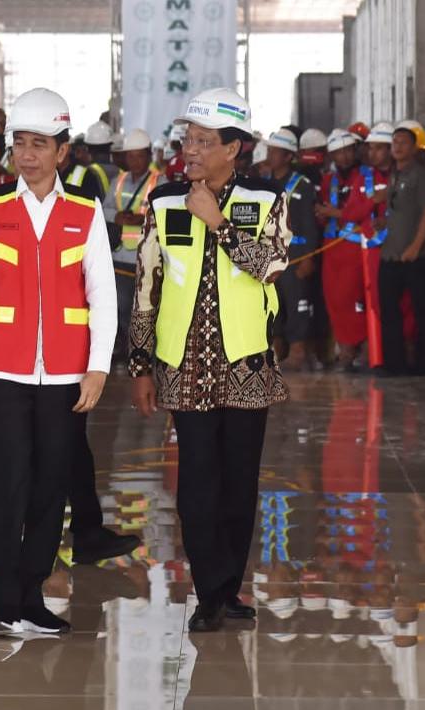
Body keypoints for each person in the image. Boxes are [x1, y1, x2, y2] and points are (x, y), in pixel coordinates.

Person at [129, 87, 290, 633]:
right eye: (187, 140)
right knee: (197, 486)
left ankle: (228, 587)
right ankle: (209, 592)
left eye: (203, 141)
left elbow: (271, 265)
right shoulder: (163, 201)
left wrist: (218, 221)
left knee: (239, 485)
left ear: (233, 148)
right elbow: (146, 288)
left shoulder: (268, 198)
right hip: (183, 365)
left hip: (246, 365)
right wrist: (140, 366)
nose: (190, 150)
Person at [0, 87, 118, 636]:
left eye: (39, 144)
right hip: (4, 370)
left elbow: (102, 295)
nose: (27, 155)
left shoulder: (84, 212)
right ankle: (5, 603)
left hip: (67, 374)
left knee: (52, 487)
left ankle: (33, 597)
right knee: (9, 486)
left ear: (62, 151)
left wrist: (98, 366)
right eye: (20, 143)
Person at [378, 124, 425, 376]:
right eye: (395, 142)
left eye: (403, 142)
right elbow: (399, 210)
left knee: (423, 310)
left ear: (414, 148)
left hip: (417, 256)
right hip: (392, 254)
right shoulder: (395, 175)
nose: (397, 146)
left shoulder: (420, 176)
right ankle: (395, 364)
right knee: (389, 310)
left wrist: (416, 246)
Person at [318, 129, 382, 371]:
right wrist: (323, 214)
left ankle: (362, 346)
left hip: (358, 247)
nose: (343, 157)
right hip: (332, 247)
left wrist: (335, 213)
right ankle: (345, 347)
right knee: (334, 300)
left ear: (355, 150)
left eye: (347, 151)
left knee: (356, 299)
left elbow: (365, 209)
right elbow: (323, 211)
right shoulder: (329, 180)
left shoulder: (368, 176)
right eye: (338, 153)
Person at [263, 129, 321, 371]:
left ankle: (298, 352)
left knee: (297, 303)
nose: (270, 155)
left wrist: (308, 258)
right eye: (269, 150)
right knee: (273, 304)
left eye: (275, 152)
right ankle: (277, 351)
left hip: (296, 255)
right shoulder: (264, 184)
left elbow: (309, 224)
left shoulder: (302, 185)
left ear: (288, 156)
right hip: (270, 255)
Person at [108, 128, 162, 356]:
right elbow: (103, 208)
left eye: (140, 156)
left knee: (145, 309)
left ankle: (143, 353)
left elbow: (167, 213)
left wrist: (145, 218)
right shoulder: (118, 181)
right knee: (121, 307)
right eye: (131, 156)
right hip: (120, 257)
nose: (135, 161)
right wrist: (116, 216)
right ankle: (128, 351)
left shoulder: (160, 181)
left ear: (149, 155)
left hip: (147, 258)